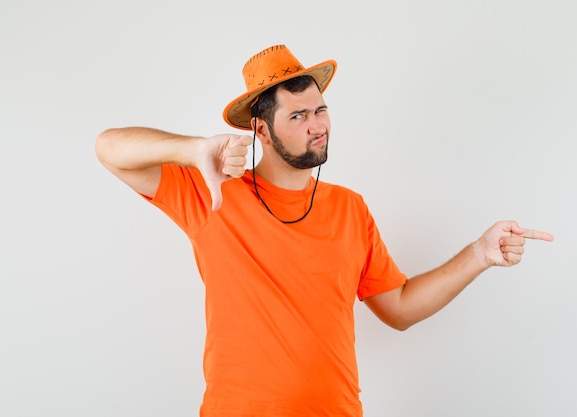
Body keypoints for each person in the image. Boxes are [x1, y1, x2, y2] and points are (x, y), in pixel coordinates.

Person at [95, 44, 553, 417]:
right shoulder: (214, 194)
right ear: (263, 131)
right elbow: (109, 148)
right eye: (297, 116)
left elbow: (398, 309)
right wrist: (193, 149)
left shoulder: (350, 208)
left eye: (320, 111)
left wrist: (479, 253)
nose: (318, 127)